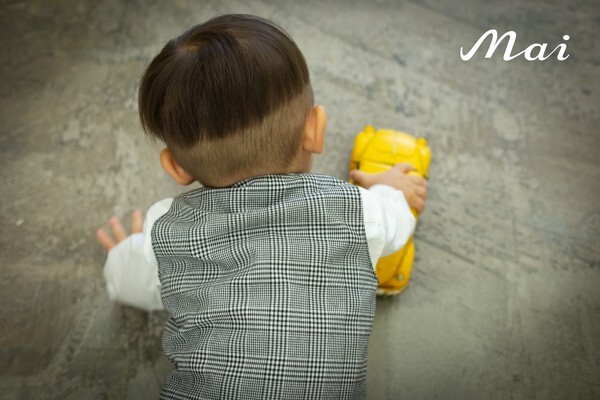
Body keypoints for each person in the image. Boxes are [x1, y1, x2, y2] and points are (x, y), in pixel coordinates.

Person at [96, 14, 427, 400]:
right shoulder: (358, 209)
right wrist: (391, 190)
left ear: (175, 167)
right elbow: (397, 225)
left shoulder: (167, 232)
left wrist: (122, 256)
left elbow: (130, 283)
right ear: (315, 130)